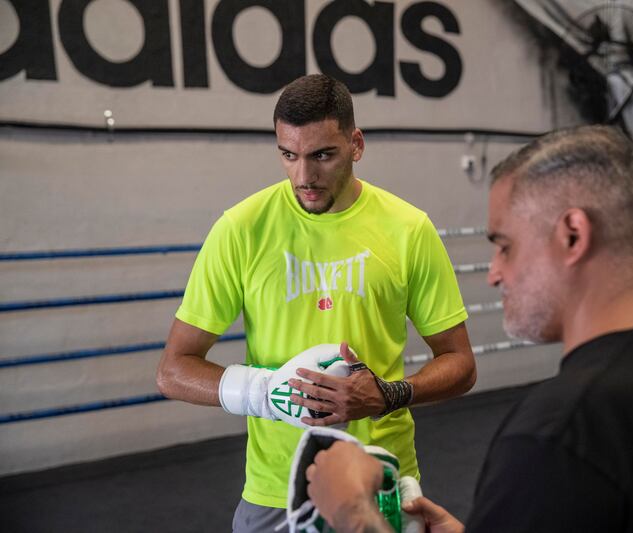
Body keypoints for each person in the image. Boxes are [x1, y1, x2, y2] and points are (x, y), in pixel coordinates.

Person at [303, 125, 633, 532]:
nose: (495, 274)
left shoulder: (566, 430)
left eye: (505, 246)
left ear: (573, 236)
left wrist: (353, 514)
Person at [155, 74, 476, 532]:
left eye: (322, 155)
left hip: (378, 481)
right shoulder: (241, 229)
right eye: (289, 155)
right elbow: (173, 370)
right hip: (274, 491)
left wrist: (389, 395)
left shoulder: (409, 229)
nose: (303, 176)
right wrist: (269, 394)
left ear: (356, 144)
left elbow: (460, 363)